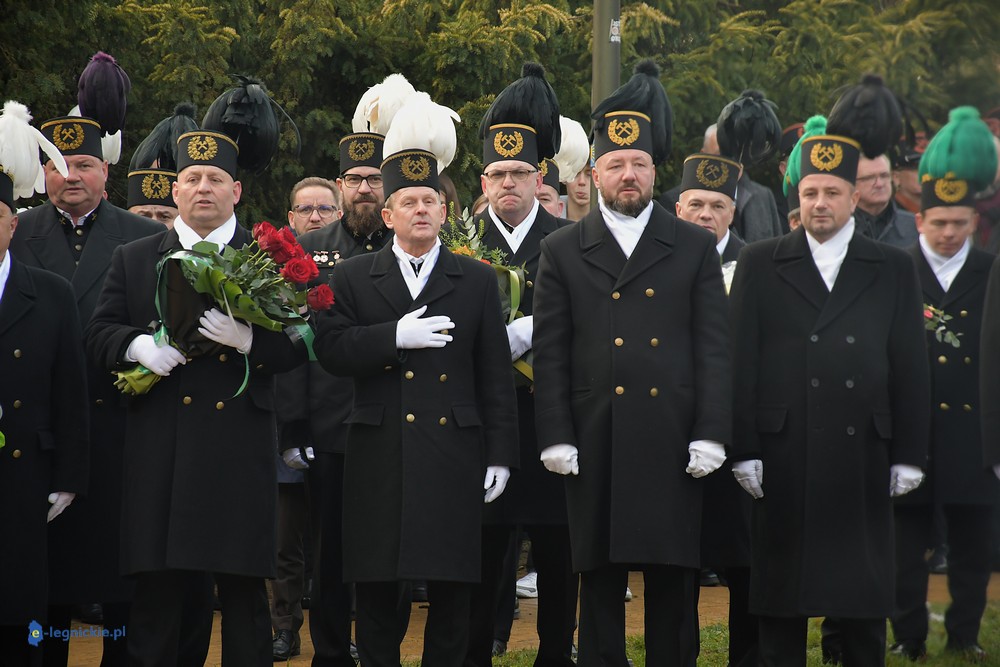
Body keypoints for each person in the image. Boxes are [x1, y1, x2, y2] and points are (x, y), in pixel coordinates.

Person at [534, 59, 731, 667]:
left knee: (673, 578)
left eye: (639, 163)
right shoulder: (562, 249)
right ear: (594, 174)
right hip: (595, 435)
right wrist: (555, 434)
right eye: (616, 164)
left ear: (654, 171)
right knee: (599, 578)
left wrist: (712, 431)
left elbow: (713, 347)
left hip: (671, 434)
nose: (628, 174)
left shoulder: (692, 245)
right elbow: (551, 352)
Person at [728, 75, 931, 667]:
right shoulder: (761, 262)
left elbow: (909, 365)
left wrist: (910, 454)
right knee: (782, 606)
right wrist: (743, 448)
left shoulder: (892, 267)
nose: (820, 203)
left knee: (861, 602)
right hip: (783, 451)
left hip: (863, 452)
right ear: (797, 197)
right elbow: (741, 362)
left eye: (832, 192)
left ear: (853, 197)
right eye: (810, 191)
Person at [87, 129, 308, 666]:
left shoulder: (268, 256)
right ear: (176, 190)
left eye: (215, 178)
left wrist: (251, 342)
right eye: (192, 178)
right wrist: (139, 346)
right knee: (159, 596)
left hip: (239, 447)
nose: (203, 188)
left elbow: (303, 343)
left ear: (236, 190)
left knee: (243, 596)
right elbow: (98, 333)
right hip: (163, 445)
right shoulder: (135, 257)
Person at [314, 134, 518, 667]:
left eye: (430, 200)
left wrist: (500, 454)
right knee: (378, 584)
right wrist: (392, 337)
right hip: (379, 450)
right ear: (388, 215)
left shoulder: (475, 279)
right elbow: (330, 349)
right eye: (409, 201)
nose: (421, 209)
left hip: (454, 450)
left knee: (451, 587)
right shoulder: (354, 275)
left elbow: (494, 374)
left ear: (445, 212)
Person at [9, 114, 162, 666]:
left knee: (121, 577)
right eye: (57, 165)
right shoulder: (15, 231)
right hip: (42, 434)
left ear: (106, 172)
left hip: (120, 431)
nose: (70, 175)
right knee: (46, 581)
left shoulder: (145, 236)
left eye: (84, 165)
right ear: (41, 174)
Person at [465, 63, 578, 667]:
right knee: (484, 549)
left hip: (550, 416)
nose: (508, 183)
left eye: (520, 173)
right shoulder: (460, 243)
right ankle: (477, 651)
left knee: (559, 549)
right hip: (485, 418)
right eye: (497, 174)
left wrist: (539, 326)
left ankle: (557, 652)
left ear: (540, 178)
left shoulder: (571, 241)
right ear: (483, 180)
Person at [276, 130, 397, 666]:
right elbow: (291, 338)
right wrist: (294, 424)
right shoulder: (308, 249)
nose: (364, 188)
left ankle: (380, 649)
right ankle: (329, 652)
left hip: (394, 418)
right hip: (330, 423)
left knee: (389, 544)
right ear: (340, 185)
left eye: (374, 178)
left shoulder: (408, 242)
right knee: (329, 549)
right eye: (354, 179)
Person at [891, 107, 1000, 662]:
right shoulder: (898, 272)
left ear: (974, 223)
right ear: (920, 222)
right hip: (915, 432)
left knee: (973, 548)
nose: (950, 233)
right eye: (939, 223)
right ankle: (908, 636)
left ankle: (964, 634)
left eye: (959, 223)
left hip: (972, 434)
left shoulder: (992, 273)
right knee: (905, 547)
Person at [0, 101, 90, 667]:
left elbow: (70, 393)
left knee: (21, 611)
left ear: (13, 224)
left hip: (25, 473)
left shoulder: (51, 292)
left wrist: (68, 478)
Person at [674, 152, 755, 665]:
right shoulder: (658, 257)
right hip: (675, 433)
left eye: (718, 205)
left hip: (738, 433)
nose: (706, 214)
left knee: (744, 561)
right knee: (678, 559)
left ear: (733, 212)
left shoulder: (756, 264)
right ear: (678, 207)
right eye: (697, 204)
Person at [853, 153, 918, 247]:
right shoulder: (840, 226)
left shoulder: (914, 226)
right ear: (852, 183)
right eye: (869, 178)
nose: (879, 184)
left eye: (884, 176)